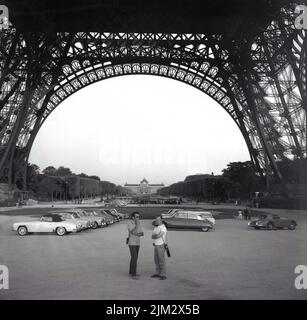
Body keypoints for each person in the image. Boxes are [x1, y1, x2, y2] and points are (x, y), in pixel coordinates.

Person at [127, 212, 144, 280]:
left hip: (137, 243)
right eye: (137, 217)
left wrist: (137, 234)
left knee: (134, 258)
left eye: (138, 217)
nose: (138, 218)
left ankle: (131, 271)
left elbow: (142, 233)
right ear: (133, 217)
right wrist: (136, 224)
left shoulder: (139, 223)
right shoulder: (129, 222)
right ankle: (134, 274)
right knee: (134, 258)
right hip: (131, 243)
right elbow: (131, 230)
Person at [151, 216, 168, 280]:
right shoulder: (156, 227)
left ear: (161, 220)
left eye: (158, 220)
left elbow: (157, 236)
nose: (156, 221)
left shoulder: (163, 228)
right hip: (156, 245)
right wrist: (156, 236)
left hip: (161, 245)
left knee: (161, 260)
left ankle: (163, 274)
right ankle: (157, 273)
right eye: (156, 220)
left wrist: (155, 236)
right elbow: (152, 236)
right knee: (156, 260)